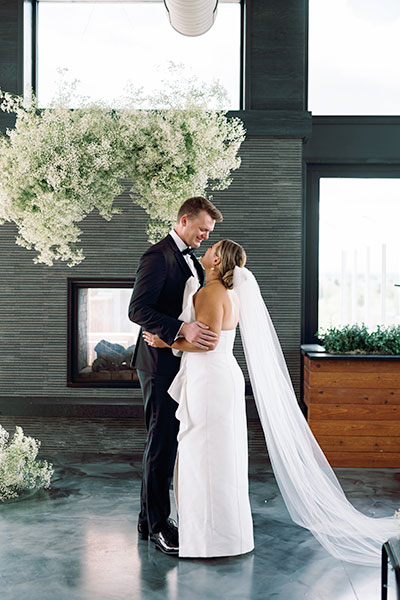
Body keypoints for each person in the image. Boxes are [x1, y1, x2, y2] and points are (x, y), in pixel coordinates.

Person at [143, 239, 399, 565]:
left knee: (203, 455)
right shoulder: (231, 294)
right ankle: (226, 536)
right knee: (221, 457)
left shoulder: (211, 294)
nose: (205, 248)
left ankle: (208, 540)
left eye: (212, 248)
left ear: (217, 259)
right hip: (221, 377)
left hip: (210, 378)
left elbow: (207, 343)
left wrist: (165, 344)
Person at [128, 196, 222, 555]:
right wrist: (181, 329)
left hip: (174, 358)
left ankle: (146, 520)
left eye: (209, 232)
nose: (204, 236)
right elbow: (137, 309)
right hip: (156, 362)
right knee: (162, 439)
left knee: (165, 439)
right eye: (202, 229)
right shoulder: (157, 256)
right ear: (184, 221)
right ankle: (158, 526)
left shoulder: (188, 259)